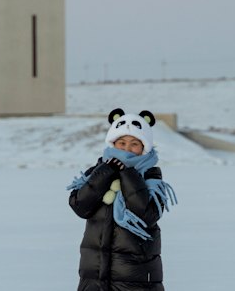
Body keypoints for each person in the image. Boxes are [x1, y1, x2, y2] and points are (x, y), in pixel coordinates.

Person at [67, 108, 177, 291]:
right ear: (112, 143)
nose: (127, 148)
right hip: (94, 274)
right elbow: (80, 206)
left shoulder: (151, 176)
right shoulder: (98, 171)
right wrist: (106, 173)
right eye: (122, 142)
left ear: (144, 148)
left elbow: (147, 215)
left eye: (134, 143)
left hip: (135, 277)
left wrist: (127, 174)